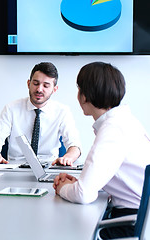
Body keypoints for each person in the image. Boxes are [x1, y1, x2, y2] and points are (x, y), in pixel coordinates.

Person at [53, 62, 150, 239]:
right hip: (135, 217)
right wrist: (76, 184)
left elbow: (84, 194)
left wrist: (62, 188)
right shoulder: (123, 121)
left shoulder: (113, 129)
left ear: (84, 96)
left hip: (132, 223)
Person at [0, 62, 81, 166]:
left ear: (54, 89)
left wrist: (68, 157)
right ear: (28, 84)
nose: (39, 89)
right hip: (16, 168)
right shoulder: (11, 108)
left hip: (49, 166)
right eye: (35, 83)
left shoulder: (62, 111)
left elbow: (75, 145)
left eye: (46, 86)